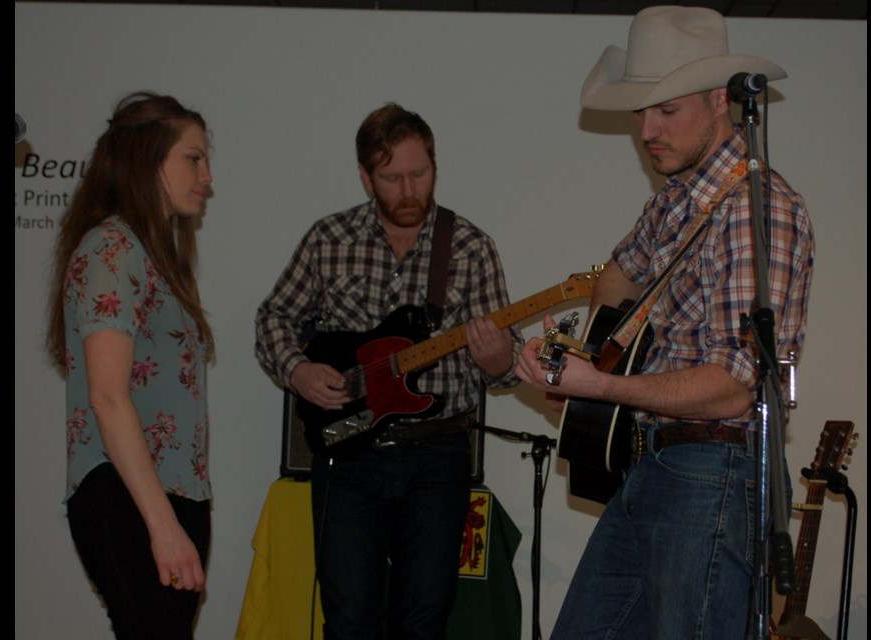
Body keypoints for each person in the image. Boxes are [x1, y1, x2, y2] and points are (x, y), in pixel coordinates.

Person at [515, 7, 814, 639]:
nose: (647, 130)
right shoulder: (672, 202)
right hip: (653, 463)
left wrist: (600, 387)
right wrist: (594, 350)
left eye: (666, 110)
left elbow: (734, 385)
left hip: (716, 471)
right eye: (639, 111)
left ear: (719, 101)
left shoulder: (759, 210)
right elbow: (616, 277)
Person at [255, 103, 522, 639]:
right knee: (348, 619)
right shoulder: (328, 239)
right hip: (349, 457)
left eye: (419, 174)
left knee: (423, 620)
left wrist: (497, 359)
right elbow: (273, 319)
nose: (408, 190)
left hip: (438, 455)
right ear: (365, 176)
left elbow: (504, 370)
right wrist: (299, 371)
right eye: (391, 177)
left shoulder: (469, 247)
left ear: (434, 166)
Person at [46, 92, 215, 639]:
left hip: (164, 496)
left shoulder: (150, 253)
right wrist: (161, 525)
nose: (206, 176)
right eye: (193, 158)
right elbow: (109, 397)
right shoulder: (111, 251)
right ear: (148, 157)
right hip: (128, 498)